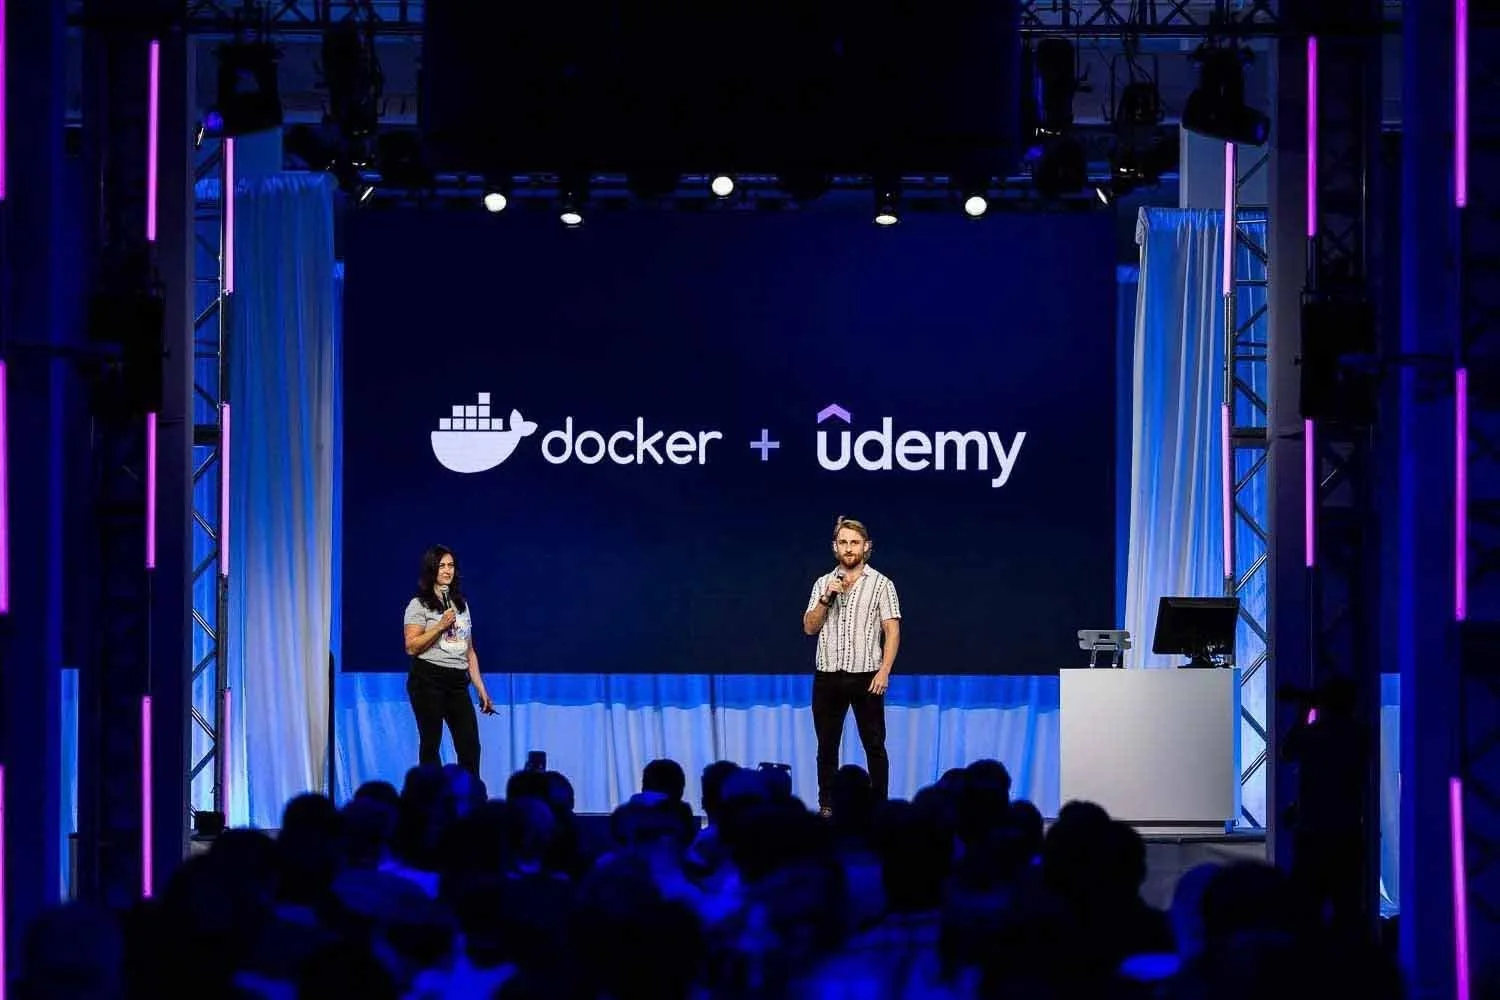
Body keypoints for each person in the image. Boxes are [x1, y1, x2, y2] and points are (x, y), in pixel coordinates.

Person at [802, 517, 901, 814]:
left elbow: (892, 630)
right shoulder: (823, 582)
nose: (849, 548)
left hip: (866, 676)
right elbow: (809, 627)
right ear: (835, 547)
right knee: (826, 747)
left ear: (866, 547)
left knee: (874, 745)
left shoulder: (882, 584)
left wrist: (884, 671)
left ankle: (879, 806)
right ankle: (827, 806)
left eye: (854, 543)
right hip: (828, 676)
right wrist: (826, 596)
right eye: (843, 542)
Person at [403, 545, 495, 776]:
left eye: (451, 565)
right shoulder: (419, 604)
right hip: (428, 679)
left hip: (457, 682)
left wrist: (481, 688)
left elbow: (469, 650)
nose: (447, 570)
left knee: (470, 746)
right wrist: (440, 626)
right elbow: (411, 646)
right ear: (432, 569)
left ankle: (470, 800)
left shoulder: (461, 605)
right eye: (442, 565)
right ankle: (431, 801)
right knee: (431, 745)